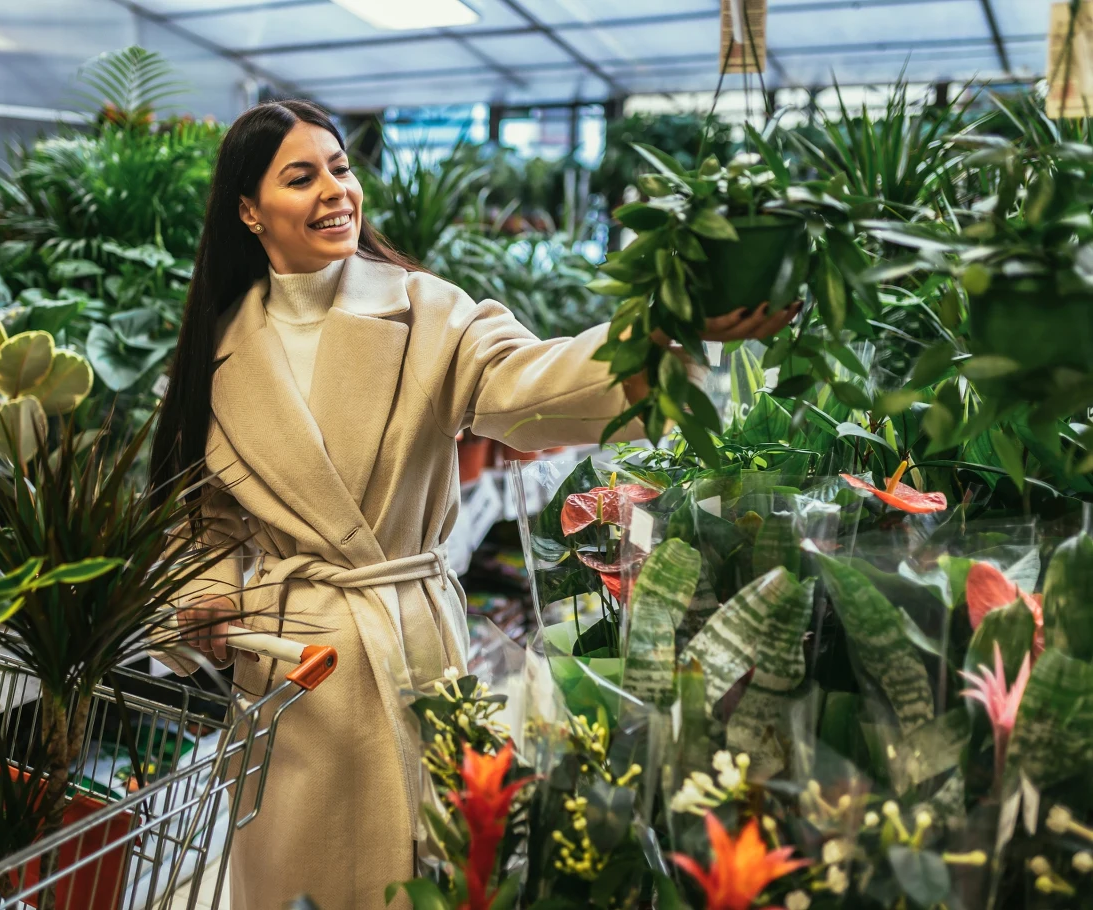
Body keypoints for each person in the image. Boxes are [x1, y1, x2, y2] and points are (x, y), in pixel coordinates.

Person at [147, 99, 794, 910]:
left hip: (406, 651)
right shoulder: (217, 351)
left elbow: (527, 381)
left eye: (341, 168)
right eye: (301, 176)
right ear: (249, 210)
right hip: (290, 675)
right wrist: (204, 593)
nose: (335, 191)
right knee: (292, 882)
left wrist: (658, 332)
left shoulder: (425, 310)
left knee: (418, 873)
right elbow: (201, 517)